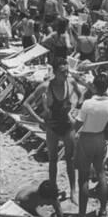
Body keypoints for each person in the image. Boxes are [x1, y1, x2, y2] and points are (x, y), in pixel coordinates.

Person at [23, 57, 81, 206]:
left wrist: (74, 109)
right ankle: (53, 191)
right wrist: (39, 120)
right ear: (55, 72)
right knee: (53, 160)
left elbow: (80, 96)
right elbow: (26, 104)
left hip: (68, 125)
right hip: (52, 128)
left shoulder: (71, 83)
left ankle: (73, 191)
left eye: (67, 71)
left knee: (70, 160)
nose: (66, 74)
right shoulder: (45, 87)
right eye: (63, 72)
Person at [75, 73, 108, 217]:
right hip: (100, 138)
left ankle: (81, 214)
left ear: (94, 86)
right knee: (101, 174)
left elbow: (78, 124)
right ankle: (103, 210)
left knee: (84, 178)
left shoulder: (88, 103)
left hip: (86, 138)